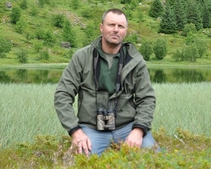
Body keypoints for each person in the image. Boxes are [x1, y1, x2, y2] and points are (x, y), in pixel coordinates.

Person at [54, 8, 157, 156]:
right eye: (111, 25)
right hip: (91, 128)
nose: (116, 30)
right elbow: (62, 95)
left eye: (120, 26)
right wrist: (75, 131)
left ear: (125, 31)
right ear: (101, 27)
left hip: (127, 127)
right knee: (83, 163)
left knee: (155, 159)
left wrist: (138, 130)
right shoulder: (82, 57)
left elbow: (147, 98)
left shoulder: (136, 61)